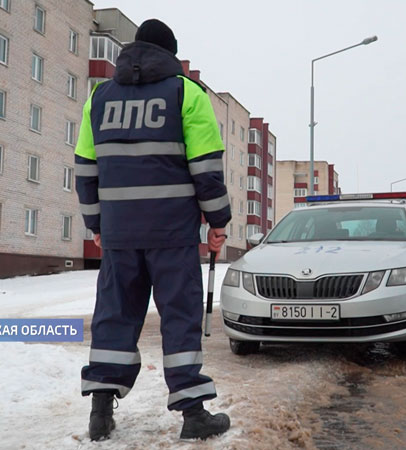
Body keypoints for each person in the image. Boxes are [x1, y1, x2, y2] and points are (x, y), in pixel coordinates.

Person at [74, 18, 231, 442]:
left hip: (121, 234)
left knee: (115, 315)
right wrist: (218, 222)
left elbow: (85, 168)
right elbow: (206, 169)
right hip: (172, 234)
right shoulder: (186, 94)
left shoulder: (99, 97)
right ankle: (192, 413)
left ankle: (101, 411)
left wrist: (96, 225)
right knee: (179, 318)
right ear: (170, 54)